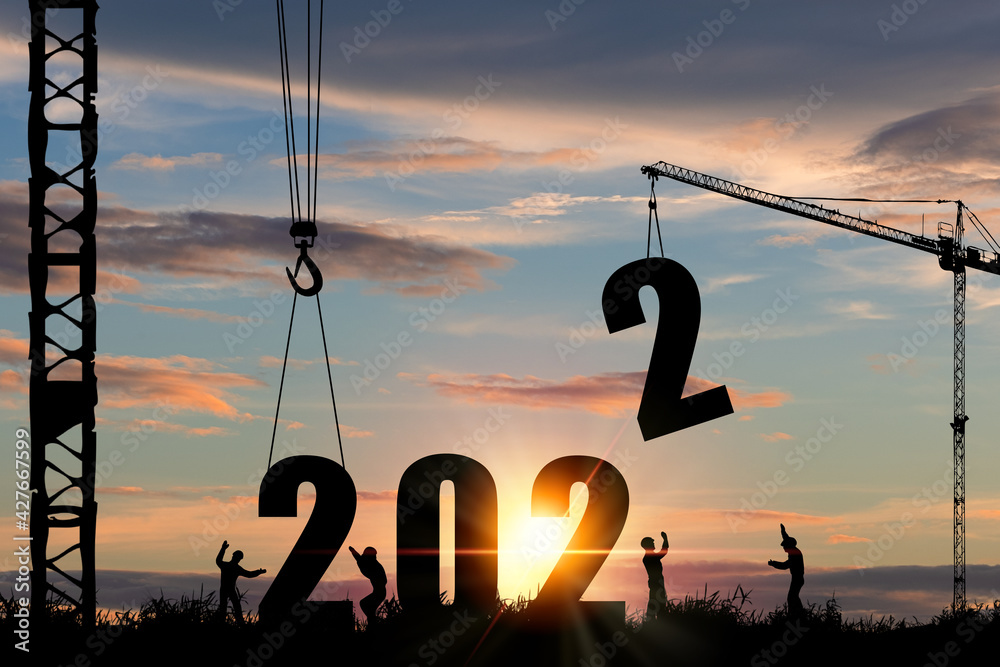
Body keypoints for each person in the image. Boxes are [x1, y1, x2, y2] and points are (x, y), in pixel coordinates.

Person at [215, 540, 265, 625]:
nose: (237, 559)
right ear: (236, 557)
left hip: (227, 589)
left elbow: (249, 574)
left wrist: (258, 572)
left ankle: (238, 624)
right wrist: (223, 549)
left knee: (232, 607)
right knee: (229, 608)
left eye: (238, 558)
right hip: (227, 589)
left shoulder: (230, 567)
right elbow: (249, 574)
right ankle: (236, 624)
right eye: (237, 557)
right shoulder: (232, 567)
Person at [767, 524, 804, 616]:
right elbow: (786, 538)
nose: (783, 548)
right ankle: (799, 613)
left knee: (792, 597)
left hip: (797, 578)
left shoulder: (794, 554)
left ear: (788, 546)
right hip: (797, 578)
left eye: (784, 546)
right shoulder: (794, 550)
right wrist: (783, 531)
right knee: (793, 597)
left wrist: (773, 563)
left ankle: (795, 614)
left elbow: (785, 565)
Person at [349, 545, 387, 623]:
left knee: (364, 604)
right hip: (379, 592)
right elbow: (359, 559)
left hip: (379, 593)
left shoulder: (376, 566)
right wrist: (353, 551)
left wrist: (353, 551)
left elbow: (384, 581)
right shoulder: (371, 564)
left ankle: (373, 620)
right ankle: (373, 621)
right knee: (369, 608)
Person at [641, 531, 669, 621]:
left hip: (656, 581)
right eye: (652, 543)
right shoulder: (649, 557)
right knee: (657, 603)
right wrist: (665, 539)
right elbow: (664, 551)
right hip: (656, 582)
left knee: (656, 602)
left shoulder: (649, 556)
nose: (654, 544)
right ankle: (655, 621)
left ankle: (653, 621)